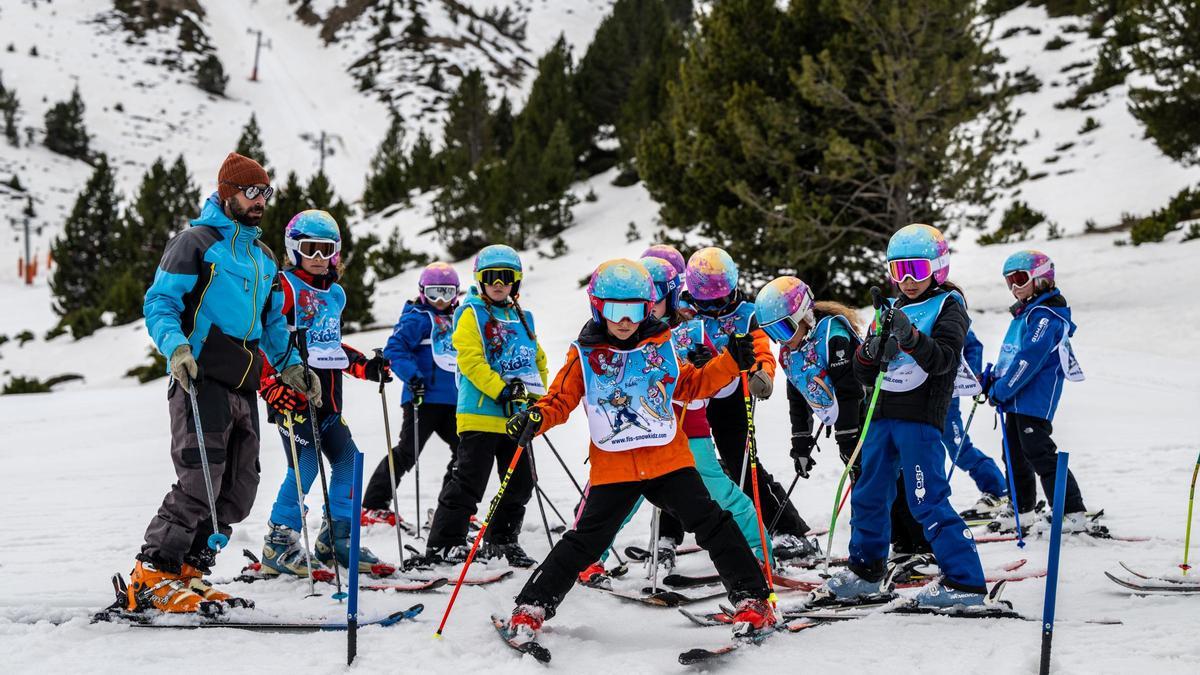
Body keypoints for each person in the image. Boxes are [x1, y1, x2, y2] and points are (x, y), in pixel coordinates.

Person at [502, 259, 774, 644]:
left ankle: (754, 598)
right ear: (598, 307)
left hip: (667, 459)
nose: (624, 321)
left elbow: (691, 386)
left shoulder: (661, 345)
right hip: (615, 467)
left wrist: (731, 362)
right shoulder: (584, 353)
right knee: (584, 541)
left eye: (633, 309)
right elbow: (559, 399)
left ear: (647, 308)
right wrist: (535, 418)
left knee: (712, 521)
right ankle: (531, 606)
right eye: (614, 310)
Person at [132, 153, 317, 614]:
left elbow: (274, 323)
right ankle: (153, 572)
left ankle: (190, 572)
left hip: (243, 378)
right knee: (200, 478)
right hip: (200, 376)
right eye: (251, 192)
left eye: (265, 193)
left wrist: (291, 364)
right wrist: (175, 347)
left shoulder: (263, 255)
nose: (260, 201)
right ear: (226, 191)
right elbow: (160, 302)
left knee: (239, 485)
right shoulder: (195, 243)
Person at [814, 223, 987, 609]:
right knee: (870, 493)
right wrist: (871, 351)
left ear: (938, 268)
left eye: (918, 270)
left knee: (926, 498)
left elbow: (943, 360)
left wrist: (910, 338)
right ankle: (866, 571)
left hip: (920, 416)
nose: (907, 280)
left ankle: (965, 581)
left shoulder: (949, 306)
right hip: (880, 414)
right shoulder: (889, 309)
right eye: (899, 270)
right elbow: (862, 373)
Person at [574, 256, 771, 582]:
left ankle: (759, 553)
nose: (643, 310)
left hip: (688, 431)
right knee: (615, 501)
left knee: (720, 492)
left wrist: (707, 366)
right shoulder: (621, 337)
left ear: (669, 294)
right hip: (639, 434)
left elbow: (716, 389)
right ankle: (588, 559)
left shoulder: (692, 329)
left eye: (652, 300)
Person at [256, 210, 392, 576]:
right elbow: (265, 339)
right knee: (305, 464)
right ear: (293, 249)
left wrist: (366, 366)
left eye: (326, 250)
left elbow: (329, 346)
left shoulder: (335, 294)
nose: (318, 258)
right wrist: (269, 386)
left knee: (349, 460)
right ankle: (278, 542)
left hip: (329, 400)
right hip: (293, 398)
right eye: (309, 249)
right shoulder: (282, 287)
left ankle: (337, 539)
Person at [419, 245, 548, 568]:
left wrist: (536, 399)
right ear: (480, 280)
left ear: (515, 281)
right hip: (480, 413)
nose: (499, 283)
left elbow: (538, 360)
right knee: (469, 481)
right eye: (492, 277)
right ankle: (444, 543)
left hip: (515, 418)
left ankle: (502, 539)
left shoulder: (523, 318)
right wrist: (501, 389)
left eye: (506, 277)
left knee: (521, 482)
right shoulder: (470, 313)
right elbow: (471, 360)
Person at [684, 247, 816, 559]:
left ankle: (787, 528)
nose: (715, 309)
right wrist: (693, 360)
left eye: (721, 300)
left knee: (742, 463)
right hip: (693, 400)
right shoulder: (685, 314)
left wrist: (762, 374)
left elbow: (760, 350)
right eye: (707, 303)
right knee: (693, 468)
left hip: (732, 398)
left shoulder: (746, 313)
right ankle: (731, 525)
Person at [987, 250, 1088, 532]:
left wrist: (1004, 388)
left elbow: (1029, 358)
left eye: (1020, 279)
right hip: (1013, 396)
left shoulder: (1045, 316)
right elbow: (1012, 355)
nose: (1014, 287)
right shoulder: (1026, 314)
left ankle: (1071, 511)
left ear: (1042, 278)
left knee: (1038, 451)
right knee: (1014, 454)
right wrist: (993, 378)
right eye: (1010, 281)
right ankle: (1022, 510)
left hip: (1033, 397)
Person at [362, 262, 463, 527]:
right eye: (433, 293)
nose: (440, 300)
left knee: (465, 453)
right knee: (408, 451)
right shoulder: (417, 317)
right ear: (422, 292)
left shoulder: (460, 319)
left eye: (447, 292)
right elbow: (395, 349)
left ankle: (449, 508)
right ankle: (373, 505)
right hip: (423, 398)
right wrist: (413, 377)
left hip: (454, 400)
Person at [754, 275, 865, 508]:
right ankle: (885, 528)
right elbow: (798, 396)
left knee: (876, 472)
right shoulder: (789, 352)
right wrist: (801, 443)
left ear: (803, 315)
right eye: (773, 333)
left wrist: (848, 437)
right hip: (846, 418)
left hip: (868, 414)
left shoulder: (833, 336)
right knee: (863, 476)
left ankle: (906, 530)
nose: (781, 340)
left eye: (784, 328)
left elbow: (849, 391)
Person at [947, 328, 1009, 519]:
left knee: (958, 448)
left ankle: (997, 490)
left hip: (944, 397)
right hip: (907, 401)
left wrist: (970, 378)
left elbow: (972, 345)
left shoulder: (945, 303)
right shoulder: (896, 308)